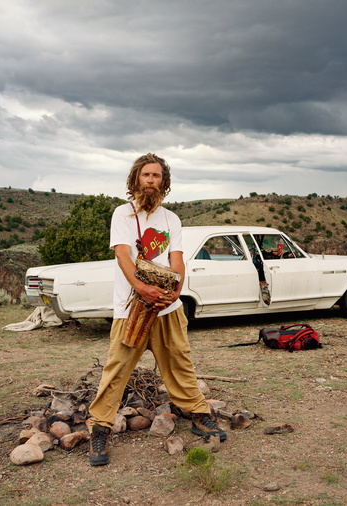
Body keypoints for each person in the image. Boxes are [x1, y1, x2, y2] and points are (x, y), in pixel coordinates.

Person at [87, 153, 227, 466]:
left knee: (180, 363)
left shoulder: (171, 219)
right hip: (132, 309)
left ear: (164, 182)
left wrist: (174, 292)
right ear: (136, 179)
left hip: (167, 309)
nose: (151, 181)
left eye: (157, 176)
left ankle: (199, 414)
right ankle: (99, 428)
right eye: (146, 175)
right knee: (117, 368)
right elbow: (124, 256)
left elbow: (177, 261)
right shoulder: (122, 215)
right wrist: (142, 289)